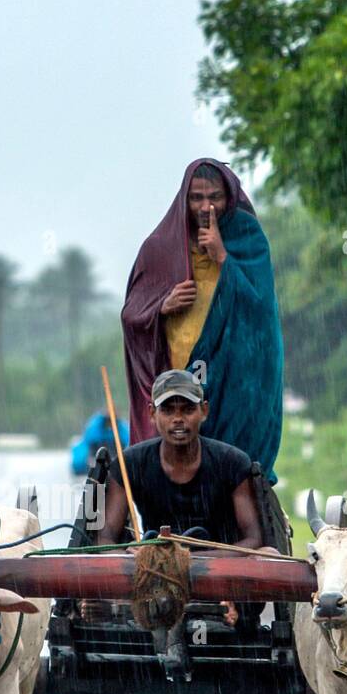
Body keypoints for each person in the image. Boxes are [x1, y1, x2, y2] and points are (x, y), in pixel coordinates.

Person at [121, 157, 283, 482]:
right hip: (177, 376)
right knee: (169, 461)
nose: (206, 206)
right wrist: (161, 306)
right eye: (196, 197)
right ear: (185, 198)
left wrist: (223, 257)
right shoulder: (159, 247)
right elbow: (132, 315)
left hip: (232, 380)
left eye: (215, 197)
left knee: (231, 463)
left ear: (229, 197)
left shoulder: (248, 239)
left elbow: (261, 310)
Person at [98, 370, 268, 549]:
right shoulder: (129, 465)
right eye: (168, 410)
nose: (178, 419)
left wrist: (188, 561)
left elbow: (254, 540)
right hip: (155, 567)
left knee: (269, 552)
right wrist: (130, 555)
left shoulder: (233, 463)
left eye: (187, 409)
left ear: (204, 411)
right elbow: (104, 538)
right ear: (152, 414)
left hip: (221, 569)